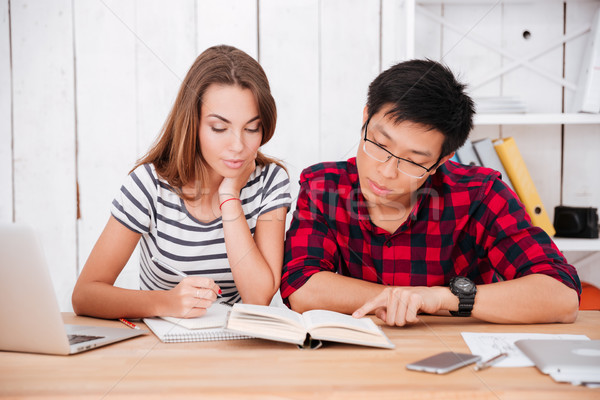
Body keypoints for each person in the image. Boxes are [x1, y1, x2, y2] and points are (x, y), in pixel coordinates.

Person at [281, 59, 581, 326]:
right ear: (365, 120)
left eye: (413, 161)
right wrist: (402, 298)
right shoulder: (324, 185)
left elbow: (561, 296)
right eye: (379, 145)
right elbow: (302, 287)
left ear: (441, 161)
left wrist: (440, 299)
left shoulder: (482, 194)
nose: (386, 172)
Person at [72, 45, 291, 319]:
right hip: (162, 351)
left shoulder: (270, 182)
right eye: (220, 128)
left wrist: (230, 195)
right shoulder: (149, 185)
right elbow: (85, 295)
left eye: (251, 128)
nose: (238, 146)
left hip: (237, 350)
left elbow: (258, 297)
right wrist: (166, 302)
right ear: (193, 122)